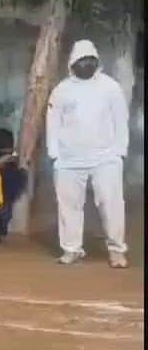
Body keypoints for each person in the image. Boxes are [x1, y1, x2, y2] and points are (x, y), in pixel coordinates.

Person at [48, 39, 130, 268]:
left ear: (97, 61)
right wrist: (55, 155)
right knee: (68, 206)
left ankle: (116, 250)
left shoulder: (110, 87)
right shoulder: (61, 90)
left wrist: (119, 152)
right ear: (72, 63)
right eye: (81, 60)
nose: (85, 64)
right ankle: (71, 249)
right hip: (68, 160)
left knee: (111, 205)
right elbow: (53, 123)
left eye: (90, 60)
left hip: (106, 158)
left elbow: (121, 120)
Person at [0, 127, 26, 237]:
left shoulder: (15, 154)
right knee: (2, 210)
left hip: (8, 186)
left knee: (5, 209)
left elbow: (21, 165)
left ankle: (0, 230)